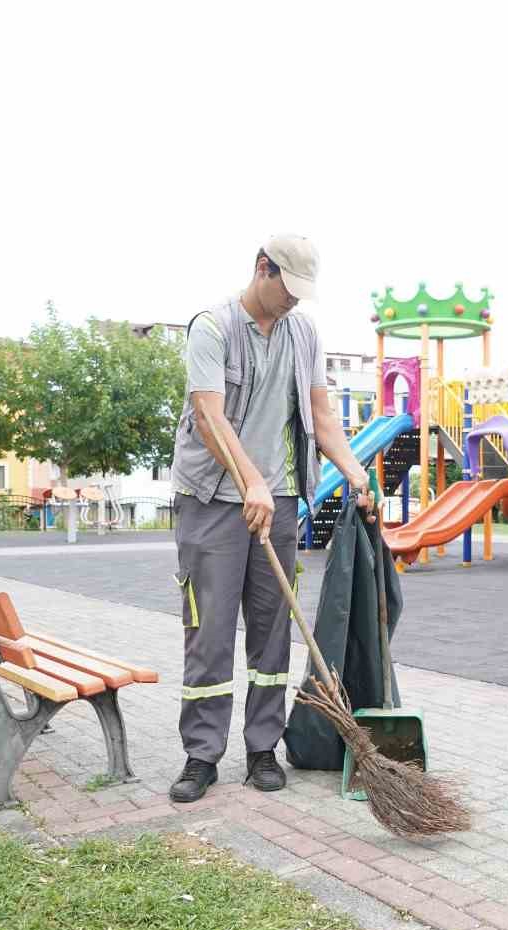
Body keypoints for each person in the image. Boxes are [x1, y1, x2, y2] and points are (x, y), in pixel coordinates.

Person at [167, 235, 373, 803]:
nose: (294, 303)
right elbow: (208, 415)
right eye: (288, 289)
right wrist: (248, 480)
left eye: (302, 295)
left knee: (271, 632)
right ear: (263, 269)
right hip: (212, 501)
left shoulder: (302, 332)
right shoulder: (212, 327)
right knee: (209, 632)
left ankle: (263, 748)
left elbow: (322, 415)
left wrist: (355, 472)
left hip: (278, 503)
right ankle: (201, 755)